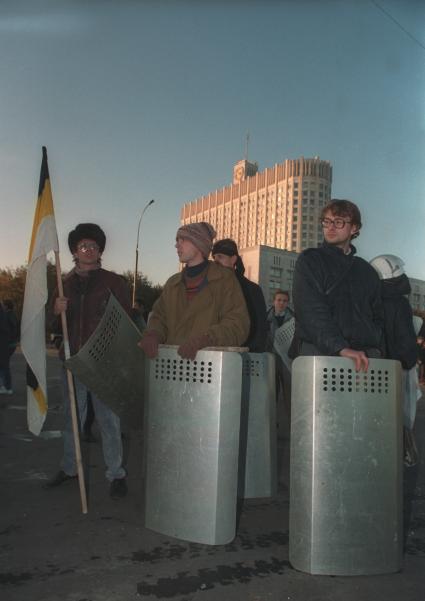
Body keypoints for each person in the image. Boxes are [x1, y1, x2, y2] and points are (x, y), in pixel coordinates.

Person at [44, 223, 131, 499]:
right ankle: (70, 468)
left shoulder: (114, 282)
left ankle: (115, 474)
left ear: (100, 251)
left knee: (108, 420)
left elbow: (125, 321)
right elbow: (50, 324)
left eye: (94, 246)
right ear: (74, 251)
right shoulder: (63, 283)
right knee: (72, 420)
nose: (89, 250)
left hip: (104, 362)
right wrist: (56, 311)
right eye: (84, 246)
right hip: (73, 361)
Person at [291, 199, 384, 372]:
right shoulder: (310, 260)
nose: (331, 227)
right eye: (327, 221)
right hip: (319, 353)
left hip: (363, 356)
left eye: (339, 221)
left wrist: (376, 348)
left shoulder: (366, 270)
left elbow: (378, 316)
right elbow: (311, 311)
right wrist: (340, 348)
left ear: (354, 228)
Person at [138, 222, 250, 360]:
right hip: (171, 366)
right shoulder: (172, 283)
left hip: (208, 368)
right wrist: (154, 334)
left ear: (199, 244)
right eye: (177, 240)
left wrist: (206, 339)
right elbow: (159, 316)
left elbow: (238, 324)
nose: (177, 245)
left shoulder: (225, 280)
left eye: (182, 240)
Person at [211, 238, 267, 352]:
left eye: (220, 256)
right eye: (214, 257)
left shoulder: (252, 289)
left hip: (243, 354)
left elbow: (260, 328)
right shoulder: (210, 287)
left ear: (233, 259)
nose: (216, 261)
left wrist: (250, 352)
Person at [0, 299, 19, 395]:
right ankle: (6, 386)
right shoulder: (12, 315)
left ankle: (7, 387)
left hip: (6, 344)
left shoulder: (6, 315)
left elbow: (7, 330)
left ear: (6, 306)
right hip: (10, 343)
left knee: (4, 365)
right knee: (4, 365)